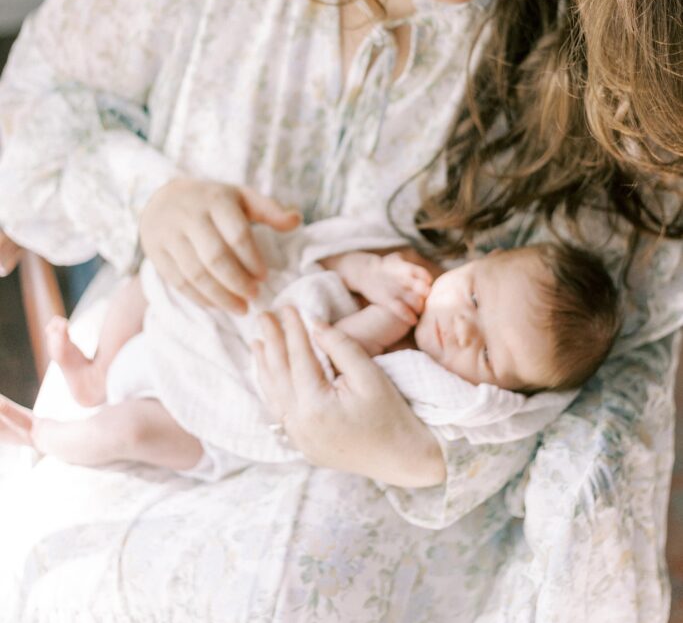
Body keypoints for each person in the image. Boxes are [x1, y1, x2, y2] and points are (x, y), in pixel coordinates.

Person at [0, 0, 680, 623]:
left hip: (407, 466)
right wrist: (148, 197)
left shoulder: (585, 39)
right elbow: (37, 115)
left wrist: (419, 456)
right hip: (173, 380)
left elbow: (619, 348)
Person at [0, 227, 619, 473]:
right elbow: (320, 253)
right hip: (213, 336)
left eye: (484, 354)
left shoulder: (422, 383)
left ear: (497, 389)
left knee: (128, 431)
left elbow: (320, 358)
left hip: (218, 414)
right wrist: (368, 271)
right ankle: (97, 372)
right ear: (477, 260)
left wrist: (379, 320)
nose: (460, 329)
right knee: (149, 282)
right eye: (477, 300)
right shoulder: (415, 273)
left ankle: (41, 435)